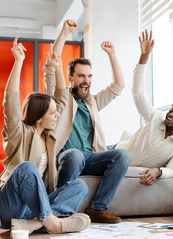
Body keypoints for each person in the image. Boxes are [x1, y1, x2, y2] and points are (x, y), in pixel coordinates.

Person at [0, 37, 90, 234]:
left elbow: (62, 98)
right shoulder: (19, 133)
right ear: (39, 117)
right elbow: (9, 102)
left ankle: (35, 224)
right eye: (52, 113)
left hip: (32, 210)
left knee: (80, 186)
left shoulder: (51, 138)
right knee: (26, 168)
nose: (57, 115)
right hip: (10, 207)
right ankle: (52, 222)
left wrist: (58, 67)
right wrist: (18, 61)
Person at [43, 19, 130, 224]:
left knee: (122, 155)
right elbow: (51, 64)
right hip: (67, 157)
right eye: (81, 76)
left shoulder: (92, 102)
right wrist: (64, 32)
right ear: (71, 78)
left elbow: (118, 85)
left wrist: (112, 55)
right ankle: (62, 210)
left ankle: (97, 208)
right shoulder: (60, 100)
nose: (86, 81)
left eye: (89, 76)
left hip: (90, 158)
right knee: (74, 155)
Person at [114, 30, 173, 186]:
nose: (171, 114)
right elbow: (138, 92)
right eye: (171, 110)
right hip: (116, 151)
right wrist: (144, 56)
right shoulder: (155, 117)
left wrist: (158, 171)